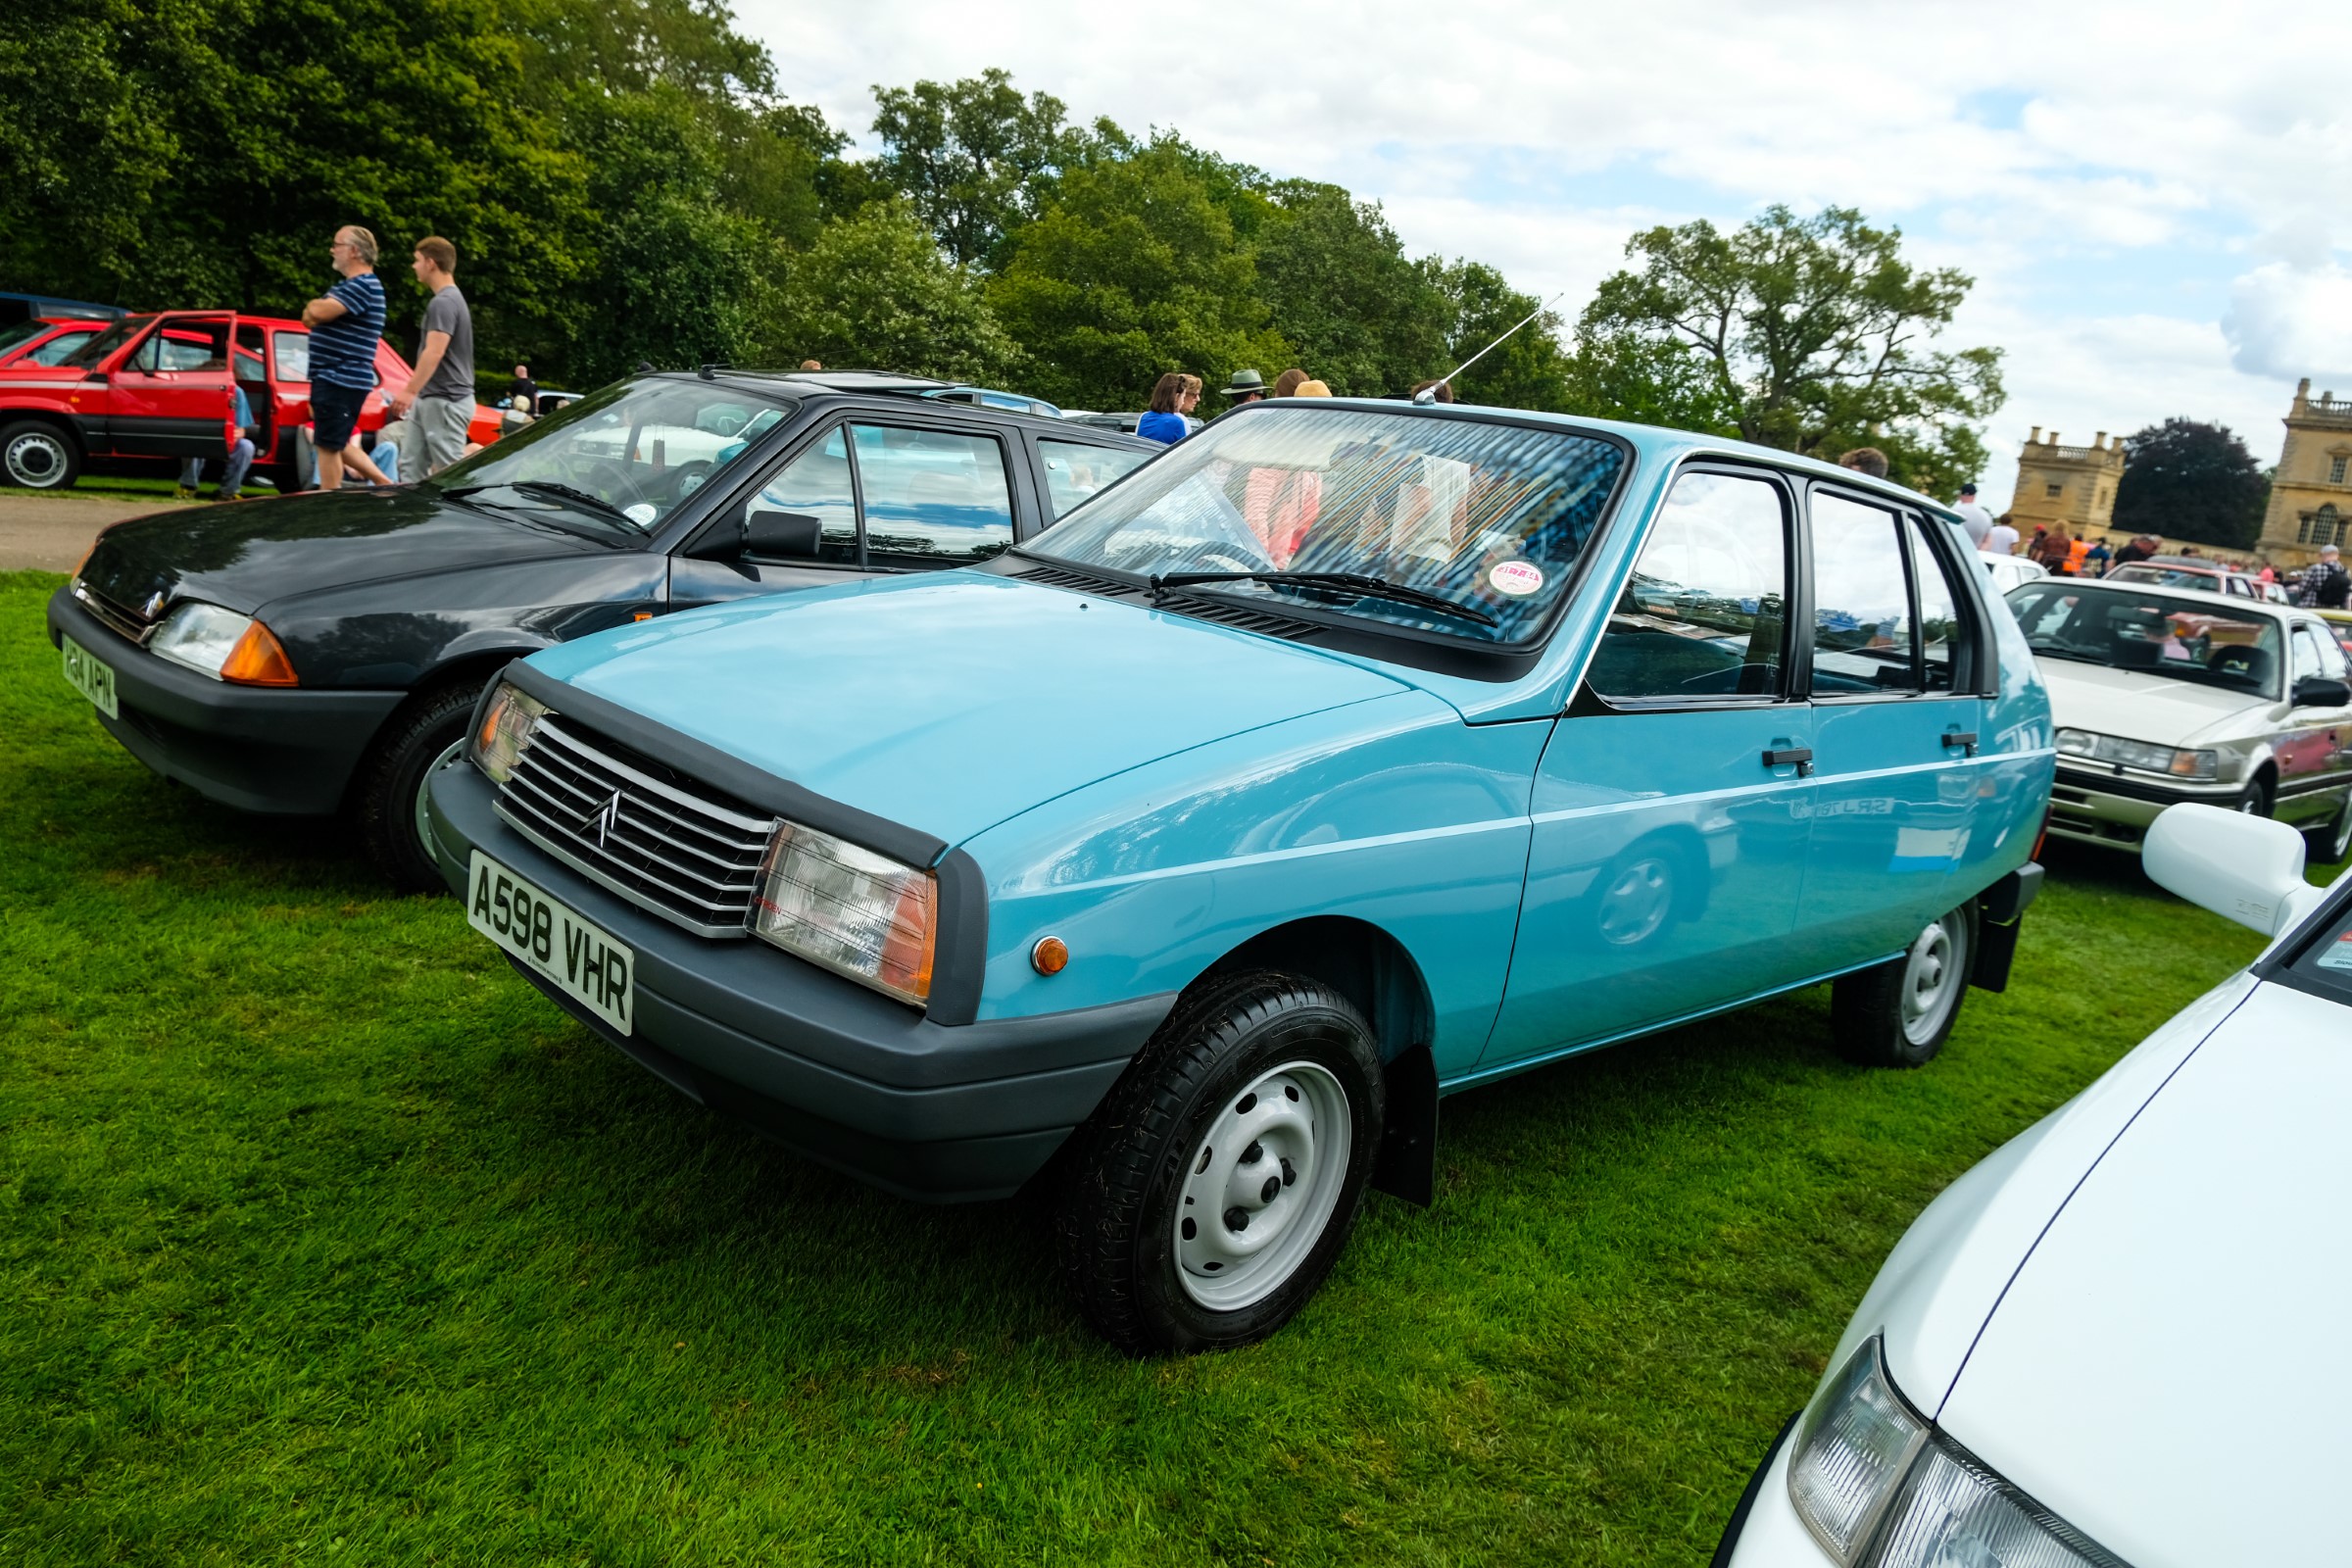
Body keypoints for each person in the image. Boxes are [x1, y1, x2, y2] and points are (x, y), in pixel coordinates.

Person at [300, 224, 387, 490]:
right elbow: (309, 316)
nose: (332, 250)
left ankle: (328, 502)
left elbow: (317, 312)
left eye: (336, 245)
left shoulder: (363, 286)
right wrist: (316, 309)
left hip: (340, 376)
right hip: (338, 376)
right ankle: (385, 483)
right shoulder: (352, 287)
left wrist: (316, 306)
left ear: (353, 251)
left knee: (327, 446)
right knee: (334, 441)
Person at [387, 235, 473, 475]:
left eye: (417, 260)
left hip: (446, 400)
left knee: (450, 474)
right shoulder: (447, 300)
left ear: (431, 263)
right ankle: (410, 513)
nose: (414, 266)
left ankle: (462, 514)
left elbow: (435, 351)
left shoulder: (444, 302)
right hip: (432, 397)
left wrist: (409, 391)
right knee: (410, 467)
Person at [176, 381, 258, 502]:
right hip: (201, 436)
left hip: (227, 438)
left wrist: (241, 431)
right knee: (192, 440)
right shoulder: (195, 388)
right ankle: (188, 486)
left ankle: (228, 492)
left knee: (246, 447)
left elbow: (241, 426)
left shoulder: (236, 391)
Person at [1137, 372, 1198, 444]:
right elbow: (1184, 451)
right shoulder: (1178, 422)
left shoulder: (1144, 417)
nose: (1183, 402)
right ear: (1176, 397)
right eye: (1183, 397)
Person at [2295, 544, 2350, 609]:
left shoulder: (2315, 568)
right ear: (2338, 556)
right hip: (2332, 609)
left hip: (2311, 606)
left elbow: (2303, 588)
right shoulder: (2345, 571)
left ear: (2322, 555)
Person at [1950, 481, 1993, 547]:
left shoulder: (1953, 511)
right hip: (1972, 555)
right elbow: (1987, 542)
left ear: (1960, 494)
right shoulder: (1986, 516)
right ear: (1974, 495)